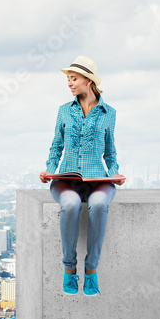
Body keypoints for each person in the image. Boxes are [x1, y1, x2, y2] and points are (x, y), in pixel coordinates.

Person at [39, 55, 125, 296]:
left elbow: (110, 150)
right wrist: (49, 169)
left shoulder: (109, 113)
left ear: (88, 80)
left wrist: (115, 172)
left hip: (98, 179)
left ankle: (91, 270)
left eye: (73, 79)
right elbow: (56, 145)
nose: (69, 84)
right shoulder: (64, 111)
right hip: (67, 179)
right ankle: (69, 269)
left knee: (98, 204)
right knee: (70, 203)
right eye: (68, 79)